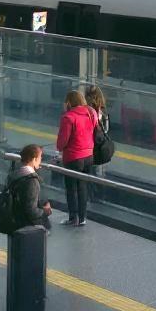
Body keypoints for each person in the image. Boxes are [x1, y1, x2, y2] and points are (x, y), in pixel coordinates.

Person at [56, 90, 96, 226]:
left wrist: (60, 147)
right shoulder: (91, 113)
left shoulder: (68, 117)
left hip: (73, 157)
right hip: (89, 156)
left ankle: (73, 218)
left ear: (69, 102)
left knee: (71, 188)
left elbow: (62, 143)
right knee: (83, 187)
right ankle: (83, 218)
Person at [8, 144, 52, 231]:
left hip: (13, 220)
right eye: (40, 157)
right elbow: (31, 210)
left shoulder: (13, 174)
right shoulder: (32, 181)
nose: (41, 160)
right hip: (27, 226)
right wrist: (45, 212)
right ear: (34, 159)